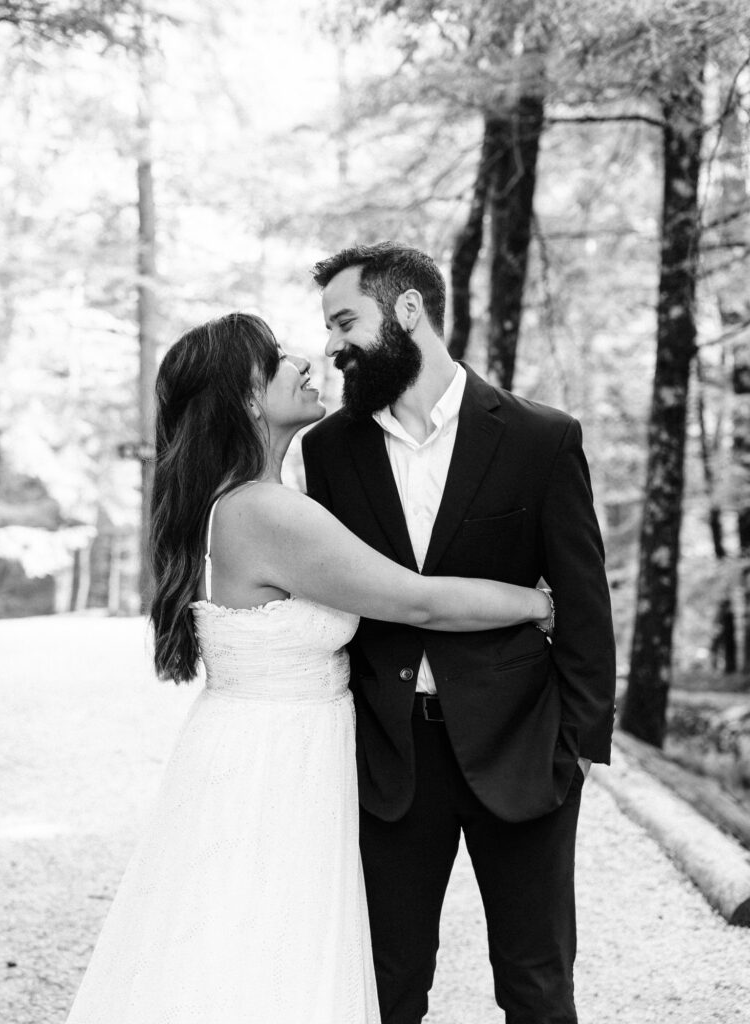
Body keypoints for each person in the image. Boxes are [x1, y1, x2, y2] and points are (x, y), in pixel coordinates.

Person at [64, 311, 555, 1024]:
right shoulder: (268, 512)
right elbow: (415, 603)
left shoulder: (229, 505)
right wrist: (534, 605)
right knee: (271, 952)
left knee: (236, 945)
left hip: (247, 748)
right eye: (278, 358)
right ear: (249, 400)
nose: (305, 360)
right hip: (278, 764)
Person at [302, 243, 616, 1024]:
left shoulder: (542, 438)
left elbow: (583, 599)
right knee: (387, 982)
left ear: (408, 311)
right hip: (388, 756)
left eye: (347, 321)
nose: (333, 345)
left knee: (537, 983)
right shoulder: (327, 451)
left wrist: (576, 746)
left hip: (523, 746)